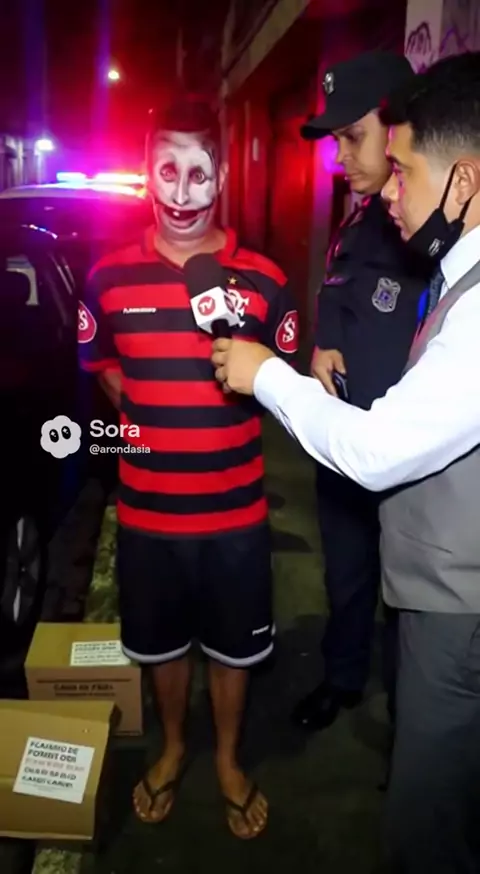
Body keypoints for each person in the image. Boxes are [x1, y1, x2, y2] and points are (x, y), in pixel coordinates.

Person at [211, 51, 480, 872]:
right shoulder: (438, 258)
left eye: (403, 171)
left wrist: (269, 376)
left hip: (457, 605)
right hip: (431, 561)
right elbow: (338, 298)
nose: (388, 191)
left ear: (463, 181)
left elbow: (377, 449)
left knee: (427, 833)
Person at [78, 95, 299, 840]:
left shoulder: (264, 280)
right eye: (165, 170)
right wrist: (143, 409)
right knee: (163, 647)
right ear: (146, 173)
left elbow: (284, 382)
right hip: (148, 517)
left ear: (223, 177)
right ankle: (174, 747)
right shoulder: (107, 278)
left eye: (197, 172)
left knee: (234, 650)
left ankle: (229, 760)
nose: (180, 191)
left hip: (236, 517)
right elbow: (102, 366)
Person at [293, 50, 429, 731]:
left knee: (412, 603)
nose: (340, 156)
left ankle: (412, 725)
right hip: (343, 445)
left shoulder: (429, 229)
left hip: (410, 461)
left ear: (398, 127)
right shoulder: (356, 220)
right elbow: (336, 299)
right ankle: (343, 677)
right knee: (346, 576)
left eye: (353, 136)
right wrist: (321, 345)